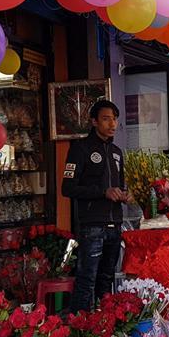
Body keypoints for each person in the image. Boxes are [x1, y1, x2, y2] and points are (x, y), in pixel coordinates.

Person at [61, 100, 128, 313]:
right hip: (92, 225)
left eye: (115, 119)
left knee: (107, 279)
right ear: (94, 121)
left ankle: (104, 323)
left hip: (115, 224)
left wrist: (125, 194)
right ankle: (78, 327)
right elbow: (68, 188)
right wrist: (102, 192)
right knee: (86, 278)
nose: (112, 124)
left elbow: (120, 185)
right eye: (106, 119)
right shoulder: (80, 149)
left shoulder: (117, 152)